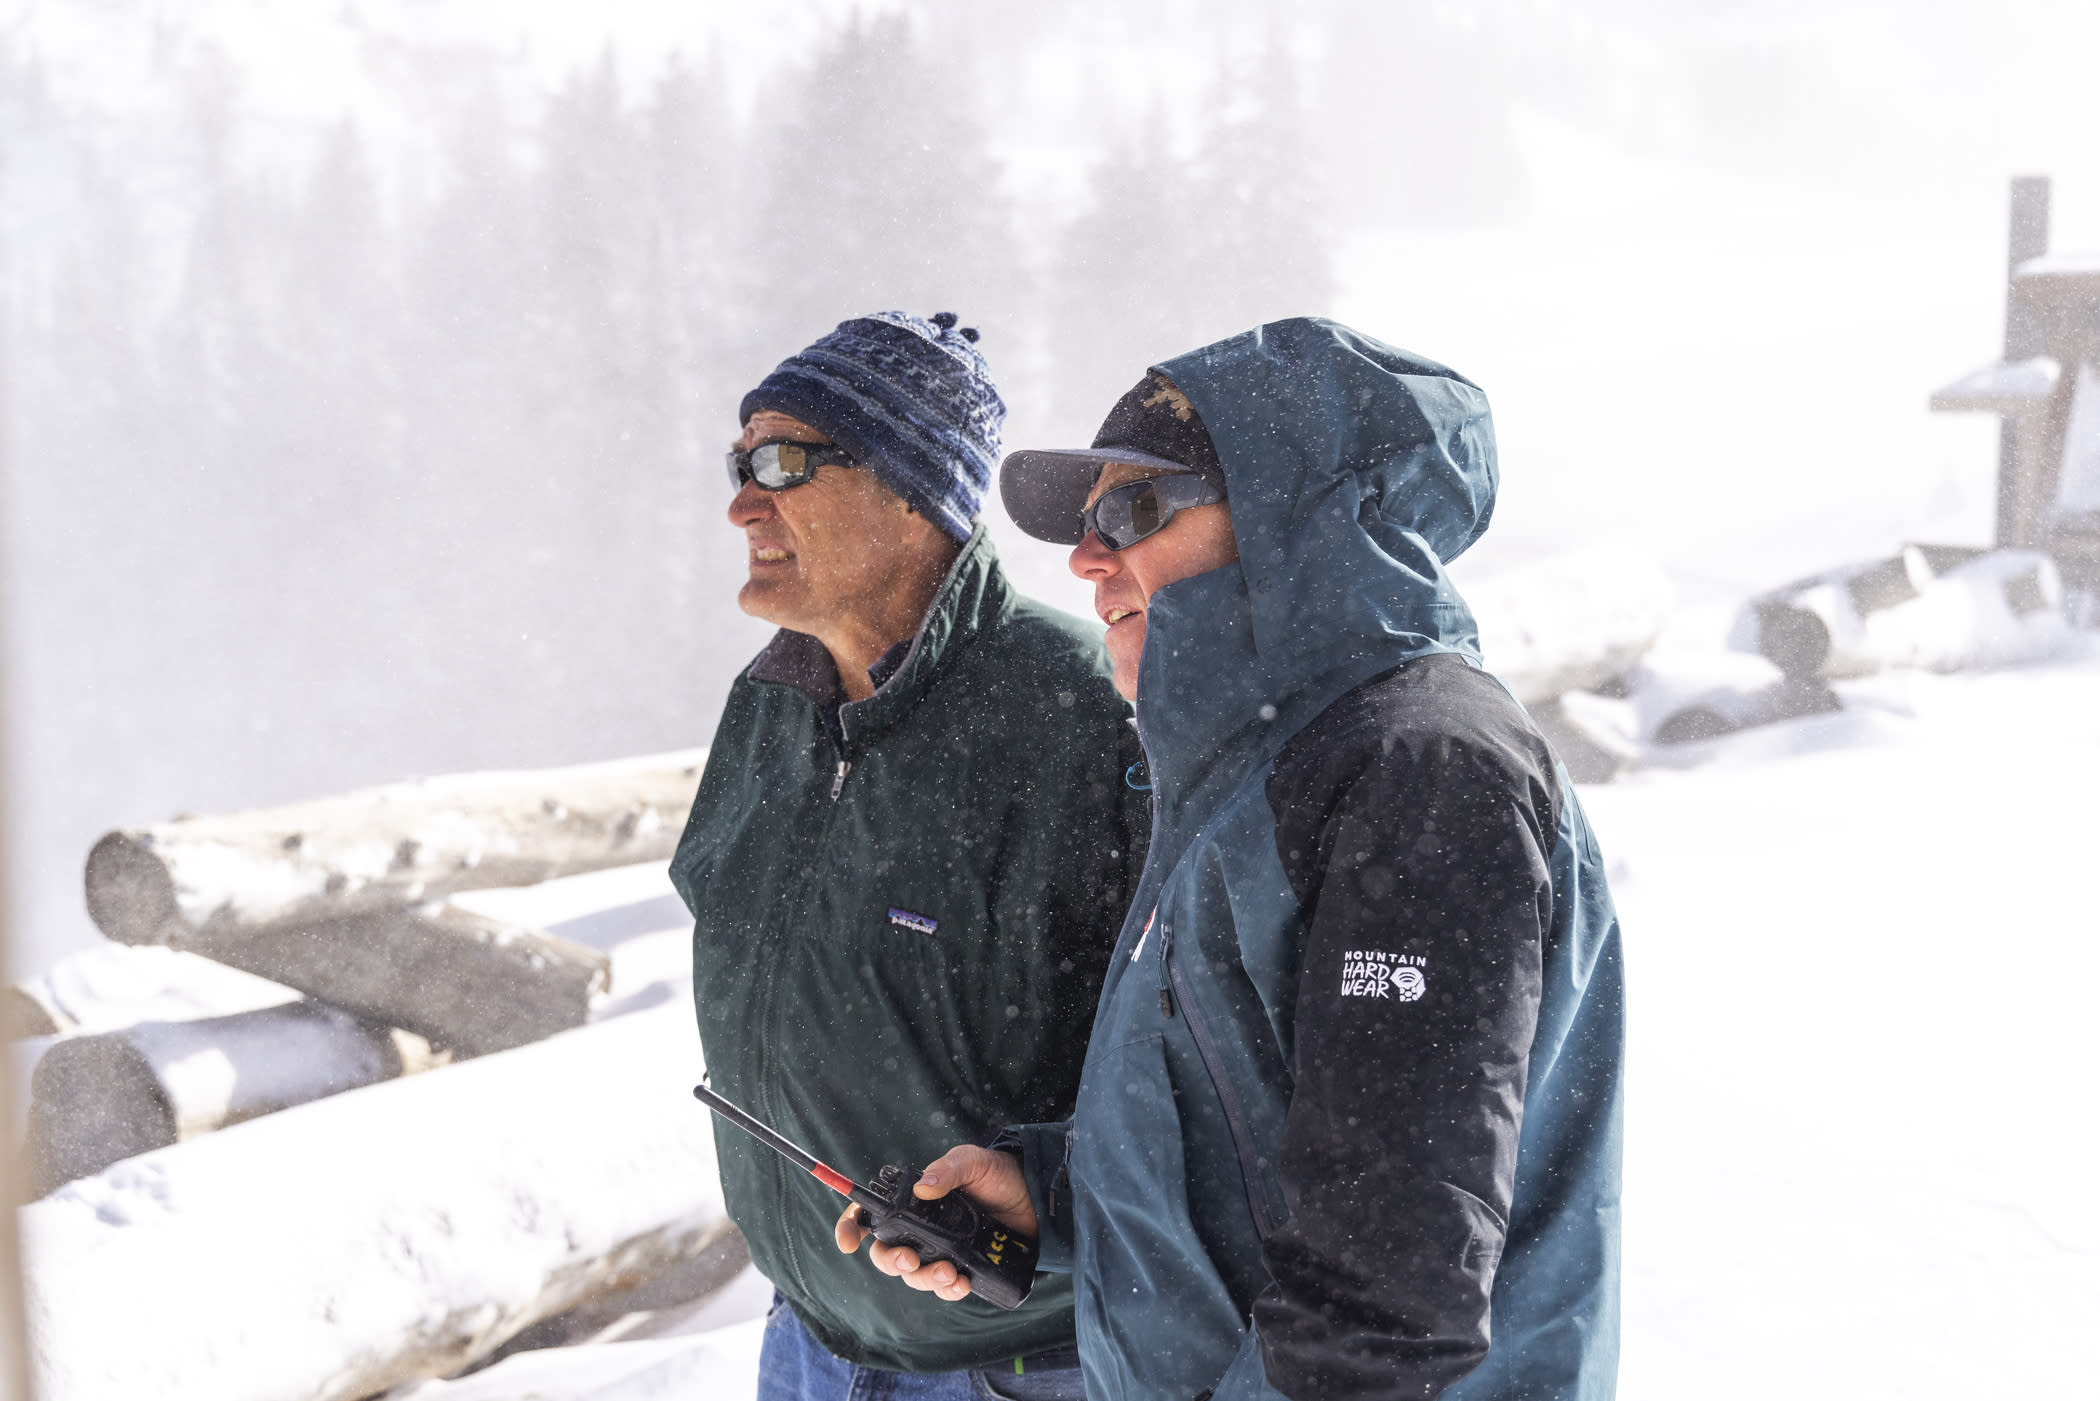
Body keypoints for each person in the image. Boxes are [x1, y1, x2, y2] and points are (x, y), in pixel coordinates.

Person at [839, 317, 1625, 1401]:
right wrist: (1049, 1195)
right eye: (1085, 521)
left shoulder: (1421, 769)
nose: (1084, 557)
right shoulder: (1253, 774)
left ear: (1301, 519)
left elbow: (1389, 1289)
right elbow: (1259, 1137)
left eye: (1134, 509)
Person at [671, 311, 1145, 1401]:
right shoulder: (770, 709)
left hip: (1023, 1368)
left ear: (914, 493)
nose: (742, 501)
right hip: (807, 1345)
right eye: (738, 463)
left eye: (784, 462)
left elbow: (1200, 1054)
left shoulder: (1085, 715)